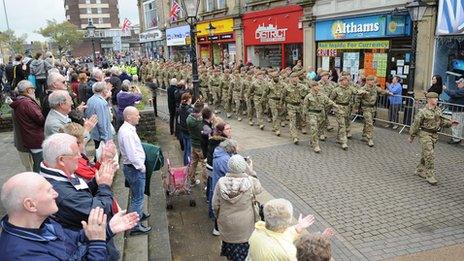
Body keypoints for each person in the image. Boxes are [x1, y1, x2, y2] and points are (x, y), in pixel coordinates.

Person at [0, 172, 139, 260]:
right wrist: (97, 243)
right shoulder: (21, 255)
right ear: (31, 205)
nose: (56, 194)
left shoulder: (43, 222)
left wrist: (107, 229)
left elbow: (73, 241)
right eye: (49, 191)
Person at [39, 133, 120, 259]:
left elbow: (80, 192)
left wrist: (95, 182)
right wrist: (104, 186)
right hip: (88, 245)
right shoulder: (61, 192)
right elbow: (97, 212)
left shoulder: (58, 173)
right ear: (61, 160)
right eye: (76, 154)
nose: (80, 157)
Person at [212, 155, 262, 260]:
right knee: (245, 251)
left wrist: (218, 216)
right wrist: (251, 172)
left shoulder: (221, 182)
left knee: (230, 249)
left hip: (226, 223)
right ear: (243, 167)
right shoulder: (250, 181)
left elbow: (215, 205)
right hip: (245, 225)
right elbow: (259, 189)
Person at [409, 92, 458, 185]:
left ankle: (419, 169)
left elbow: (442, 121)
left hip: (434, 135)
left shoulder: (438, 110)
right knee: (430, 154)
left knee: (426, 153)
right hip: (425, 134)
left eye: (437, 98)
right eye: (435, 98)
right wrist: (412, 136)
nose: (437, 100)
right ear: (429, 99)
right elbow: (415, 125)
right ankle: (430, 175)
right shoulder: (422, 112)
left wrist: (451, 123)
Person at [118, 106, 152, 235]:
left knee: (136, 195)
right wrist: (141, 167)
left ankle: (138, 215)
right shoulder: (127, 133)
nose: (139, 117)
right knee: (138, 197)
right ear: (128, 117)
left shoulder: (128, 129)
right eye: (137, 115)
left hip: (132, 168)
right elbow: (132, 154)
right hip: (134, 169)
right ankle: (135, 226)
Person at [248, 198, 316, 261]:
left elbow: (279, 236)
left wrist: (298, 228)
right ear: (289, 221)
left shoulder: (258, 230)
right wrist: (319, 247)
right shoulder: (287, 252)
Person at [9, 80, 45, 172]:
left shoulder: (20, 102)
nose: (34, 91)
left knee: (37, 164)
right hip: (36, 139)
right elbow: (40, 119)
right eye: (33, 89)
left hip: (30, 138)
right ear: (28, 90)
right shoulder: (27, 103)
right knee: (39, 166)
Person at [354, 75, 391, 147]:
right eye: (372, 80)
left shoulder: (375, 88)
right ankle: (369, 139)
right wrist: (356, 108)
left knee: (367, 122)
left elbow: (381, 91)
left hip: (373, 108)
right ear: (368, 81)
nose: (373, 82)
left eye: (373, 80)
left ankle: (364, 135)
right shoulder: (363, 89)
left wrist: (388, 93)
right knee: (369, 123)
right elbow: (357, 99)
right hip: (366, 108)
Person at [303, 81, 338, 153]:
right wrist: (304, 117)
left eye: (318, 86)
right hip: (312, 114)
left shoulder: (322, 95)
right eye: (316, 86)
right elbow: (305, 107)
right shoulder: (308, 96)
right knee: (314, 129)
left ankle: (312, 140)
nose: (318, 87)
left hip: (321, 114)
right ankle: (316, 145)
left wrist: (336, 106)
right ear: (312, 87)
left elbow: (329, 101)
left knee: (318, 130)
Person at [85, 82, 113, 149]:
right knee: (101, 154)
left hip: (94, 133)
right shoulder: (101, 103)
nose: (107, 90)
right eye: (106, 89)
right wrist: (105, 138)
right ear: (103, 91)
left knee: (97, 151)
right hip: (100, 135)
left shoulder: (90, 99)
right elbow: (102, 122)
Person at [187, 101, 207, 186]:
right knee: (204, 164)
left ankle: (191, 181)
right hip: (201, 146)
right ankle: (206, 183)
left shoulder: (189, 119)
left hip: (193, 144)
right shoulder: (200, 123)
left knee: (193, 163)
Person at [443, 78, 464, 144]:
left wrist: (445, 89)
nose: (457, 84)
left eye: (459, 83)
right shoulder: (460, 90)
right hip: (458, 110)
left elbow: (453, 94)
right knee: (458, 125)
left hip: (459, 111)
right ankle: (457, 138)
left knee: (456, 125)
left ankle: (456, 139)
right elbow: (453, 96)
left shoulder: (462, 91)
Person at [177, 92, 194, 165]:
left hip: (183, 130)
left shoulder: (181, 107)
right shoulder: (189, 110)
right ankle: (188, 165)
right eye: (190, 98)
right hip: (188, 131)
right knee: (189, 150)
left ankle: (185, 163)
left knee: (186, 149)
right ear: (188, 100)